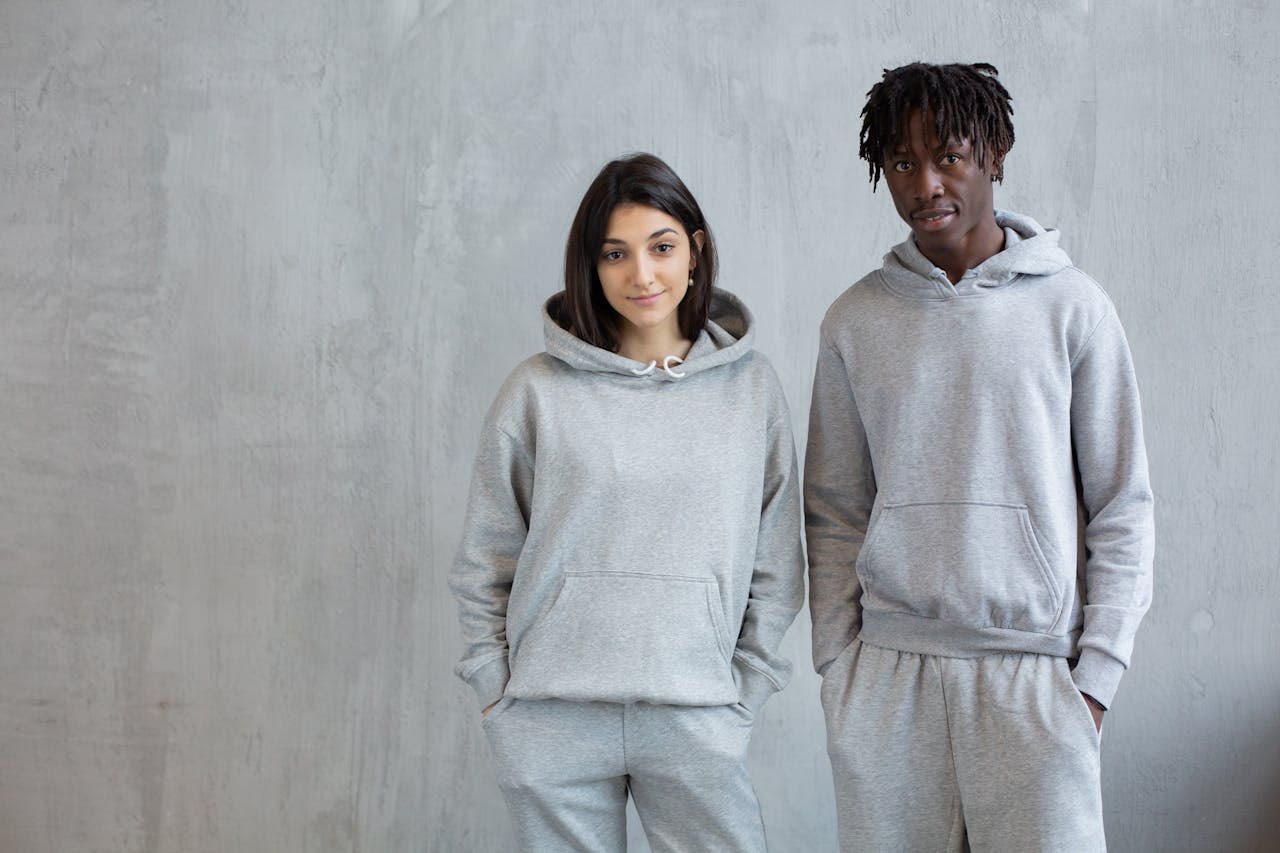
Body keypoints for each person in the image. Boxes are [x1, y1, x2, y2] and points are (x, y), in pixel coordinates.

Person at [805, 62, 1154, 851]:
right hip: (890, 679)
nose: (925, 183)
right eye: (901, 163)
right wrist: (840, 666)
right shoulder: (854, 321)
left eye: (949, 155)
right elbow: (833, 509)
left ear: (994, 151)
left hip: (1035, 680)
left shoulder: (1075, 311)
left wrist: (1092, 681)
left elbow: (1122, 506)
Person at [450, 152, 805, 852]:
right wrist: (498, 691)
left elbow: (776, 559)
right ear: (591, 265)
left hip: (696, 712)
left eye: (661, 247)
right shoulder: (537, 391)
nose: (641, 274)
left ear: (696, 251)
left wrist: (747, 689)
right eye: (616, 254)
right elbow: (485, 557)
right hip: (552, 716)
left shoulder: (751, 390)